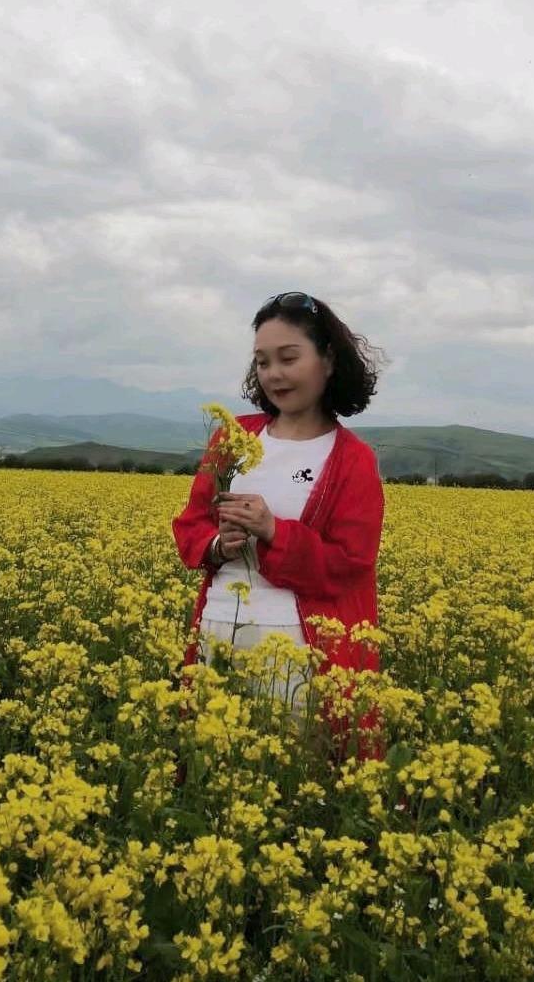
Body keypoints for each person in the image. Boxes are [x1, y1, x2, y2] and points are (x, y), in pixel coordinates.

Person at [171, 291, 388, 763]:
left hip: (299, 653)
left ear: (328, 361)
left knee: (292, 782)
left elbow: (350, 564)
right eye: (263, 362)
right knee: (212, 775)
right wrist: (217, 545)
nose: (273, 374)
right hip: (216, 635)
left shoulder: (352, 459)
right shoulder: (232, 436)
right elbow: (192, 524)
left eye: (288, 358)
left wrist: (273, 531)